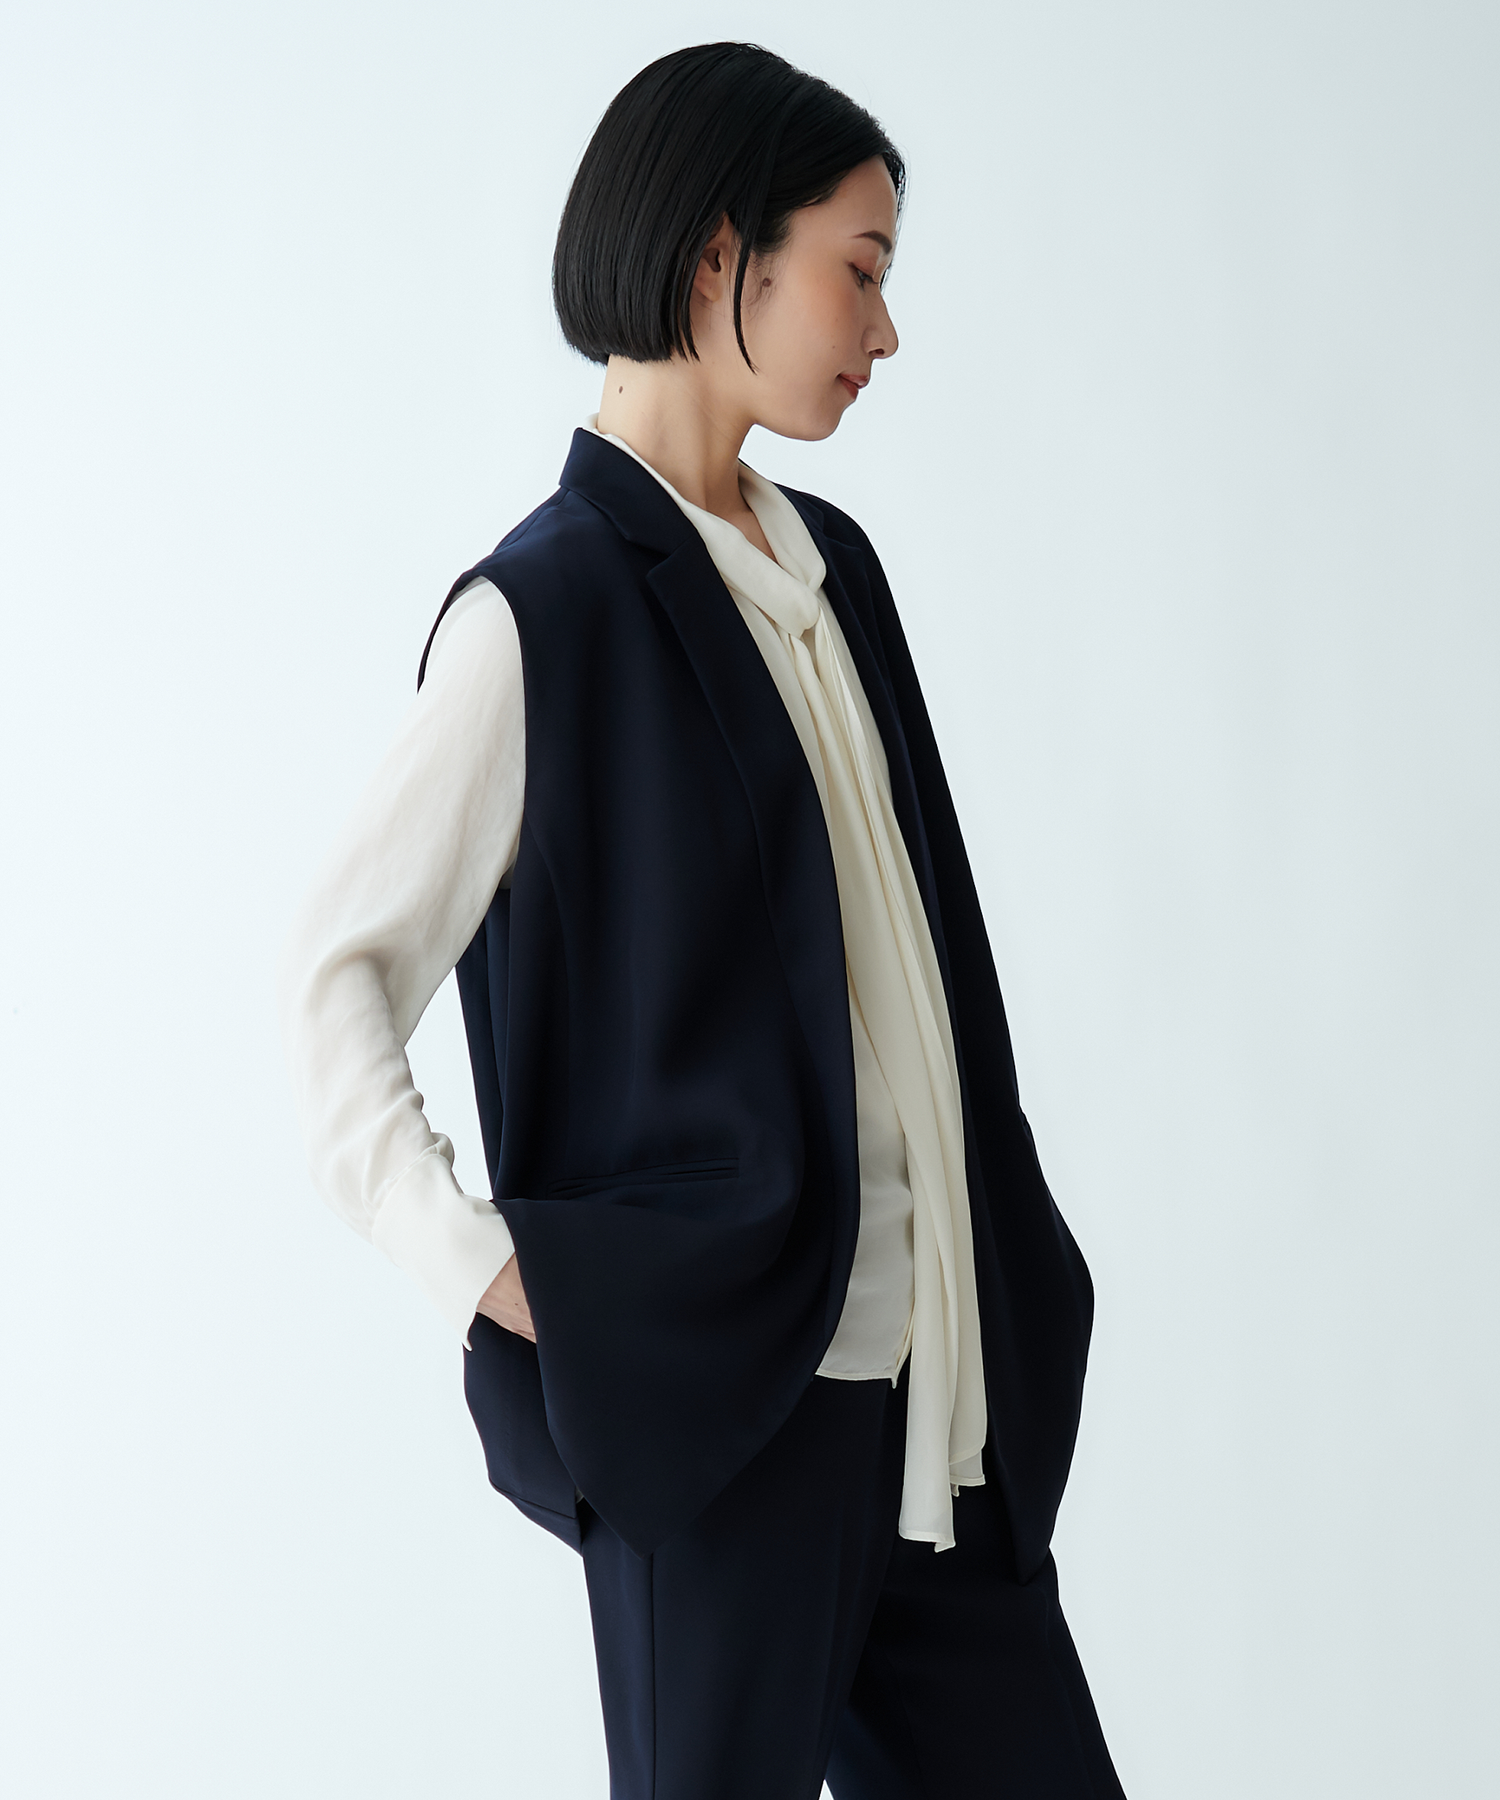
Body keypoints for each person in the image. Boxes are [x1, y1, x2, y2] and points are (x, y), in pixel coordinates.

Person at [282, 41, 1125, 1800]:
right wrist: (490, 1271)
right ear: (717, 256)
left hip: (937, 1413)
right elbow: (334, 979)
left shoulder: (835, 573)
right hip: (728, 1424)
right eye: (860, 271)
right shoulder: (538, 617)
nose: (884, 330)